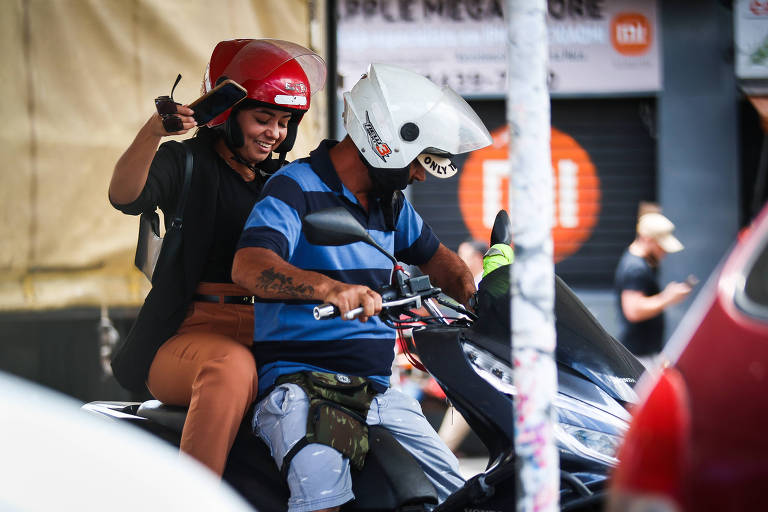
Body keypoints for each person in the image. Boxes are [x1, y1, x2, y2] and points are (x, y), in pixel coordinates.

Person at [231, 63, 492, 511]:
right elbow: (249, 265)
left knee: (463, 497)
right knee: (322, 496)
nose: (421, 175)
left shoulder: (390, 206)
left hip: (377, 390)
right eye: (416, 161)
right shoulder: (295, 188)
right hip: (302, 385)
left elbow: (440, 260)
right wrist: (328, 288)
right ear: (385, 144)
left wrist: (480, 297)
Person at [107, 39, 326, 476]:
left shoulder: (288, 179)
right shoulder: (185, 160)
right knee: (231, 368)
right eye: (263, 118)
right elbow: (124, 196)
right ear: (227, 115)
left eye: (284, 122)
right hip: (188, 332)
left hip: (272, 331)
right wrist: (154, 132)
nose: (275, 133)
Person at [614, 211, 692, 367]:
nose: (664, 253)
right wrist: (667, 298)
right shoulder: (635, 268)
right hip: (640, 356)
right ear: (647, 239)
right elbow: (633, 311)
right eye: (661, 246)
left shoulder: (637, 263)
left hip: (645, 354)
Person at [437, 238, 487, 455]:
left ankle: (441, 455)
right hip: (480, 360)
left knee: (465, 399)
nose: (457, 260)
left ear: (477, 259)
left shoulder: (485, 285)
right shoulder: (472, 284)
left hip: (485, 362)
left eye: (463, 256)